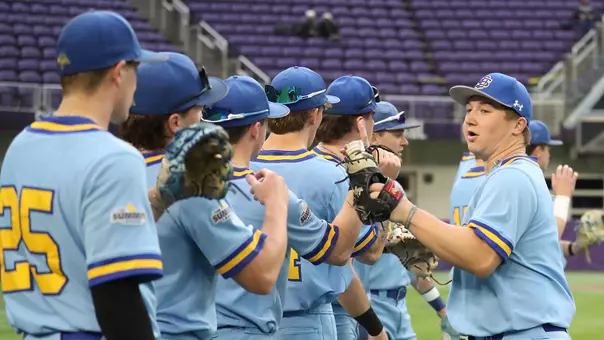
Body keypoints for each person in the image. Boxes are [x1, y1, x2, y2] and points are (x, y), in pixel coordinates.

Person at [0, 10, 167, 340]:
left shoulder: (20, 146)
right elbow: (117, 298)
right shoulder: (115, 157)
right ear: (119, 73)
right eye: (136, 68)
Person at [384, 73, 575, 339]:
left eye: (485, 110)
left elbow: (480, 257)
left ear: (518, 125)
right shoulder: (504, 174)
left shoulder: (513, 176)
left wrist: (405, 211)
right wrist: (433, 241)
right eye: (469, 109)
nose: (470, 118)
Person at [203, 75, 373, 339]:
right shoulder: (272, 190)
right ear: (255, 129)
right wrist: (362, 180)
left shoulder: (177, 188)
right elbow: (339, 251)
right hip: (257, 329)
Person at [255, 67, 388, 340]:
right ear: (315, 114)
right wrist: (380, 186)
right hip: (305, 321)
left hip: (245, 318)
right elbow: (370, 251)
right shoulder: (331, 175)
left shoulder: (242, 168)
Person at [354, 101, 458, 340]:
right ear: (375, 135)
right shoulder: (357, 186)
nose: (405, 141)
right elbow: (367, 254)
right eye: (398, 134)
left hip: (399, 309)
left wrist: (441, 310)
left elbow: (410, 261)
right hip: (371, 306)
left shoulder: (395, 185)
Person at [311, 77, 401, 340]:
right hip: (331, 312)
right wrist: (384, 183)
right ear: (361, 123)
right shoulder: (343, 175)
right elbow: (372, 252)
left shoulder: (310, 161)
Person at [120, 52, 229, 188]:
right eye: (199, 109)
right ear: (176, 123)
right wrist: (265, 198)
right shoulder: (193, 180)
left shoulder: (114, 173)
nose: (202, 120)